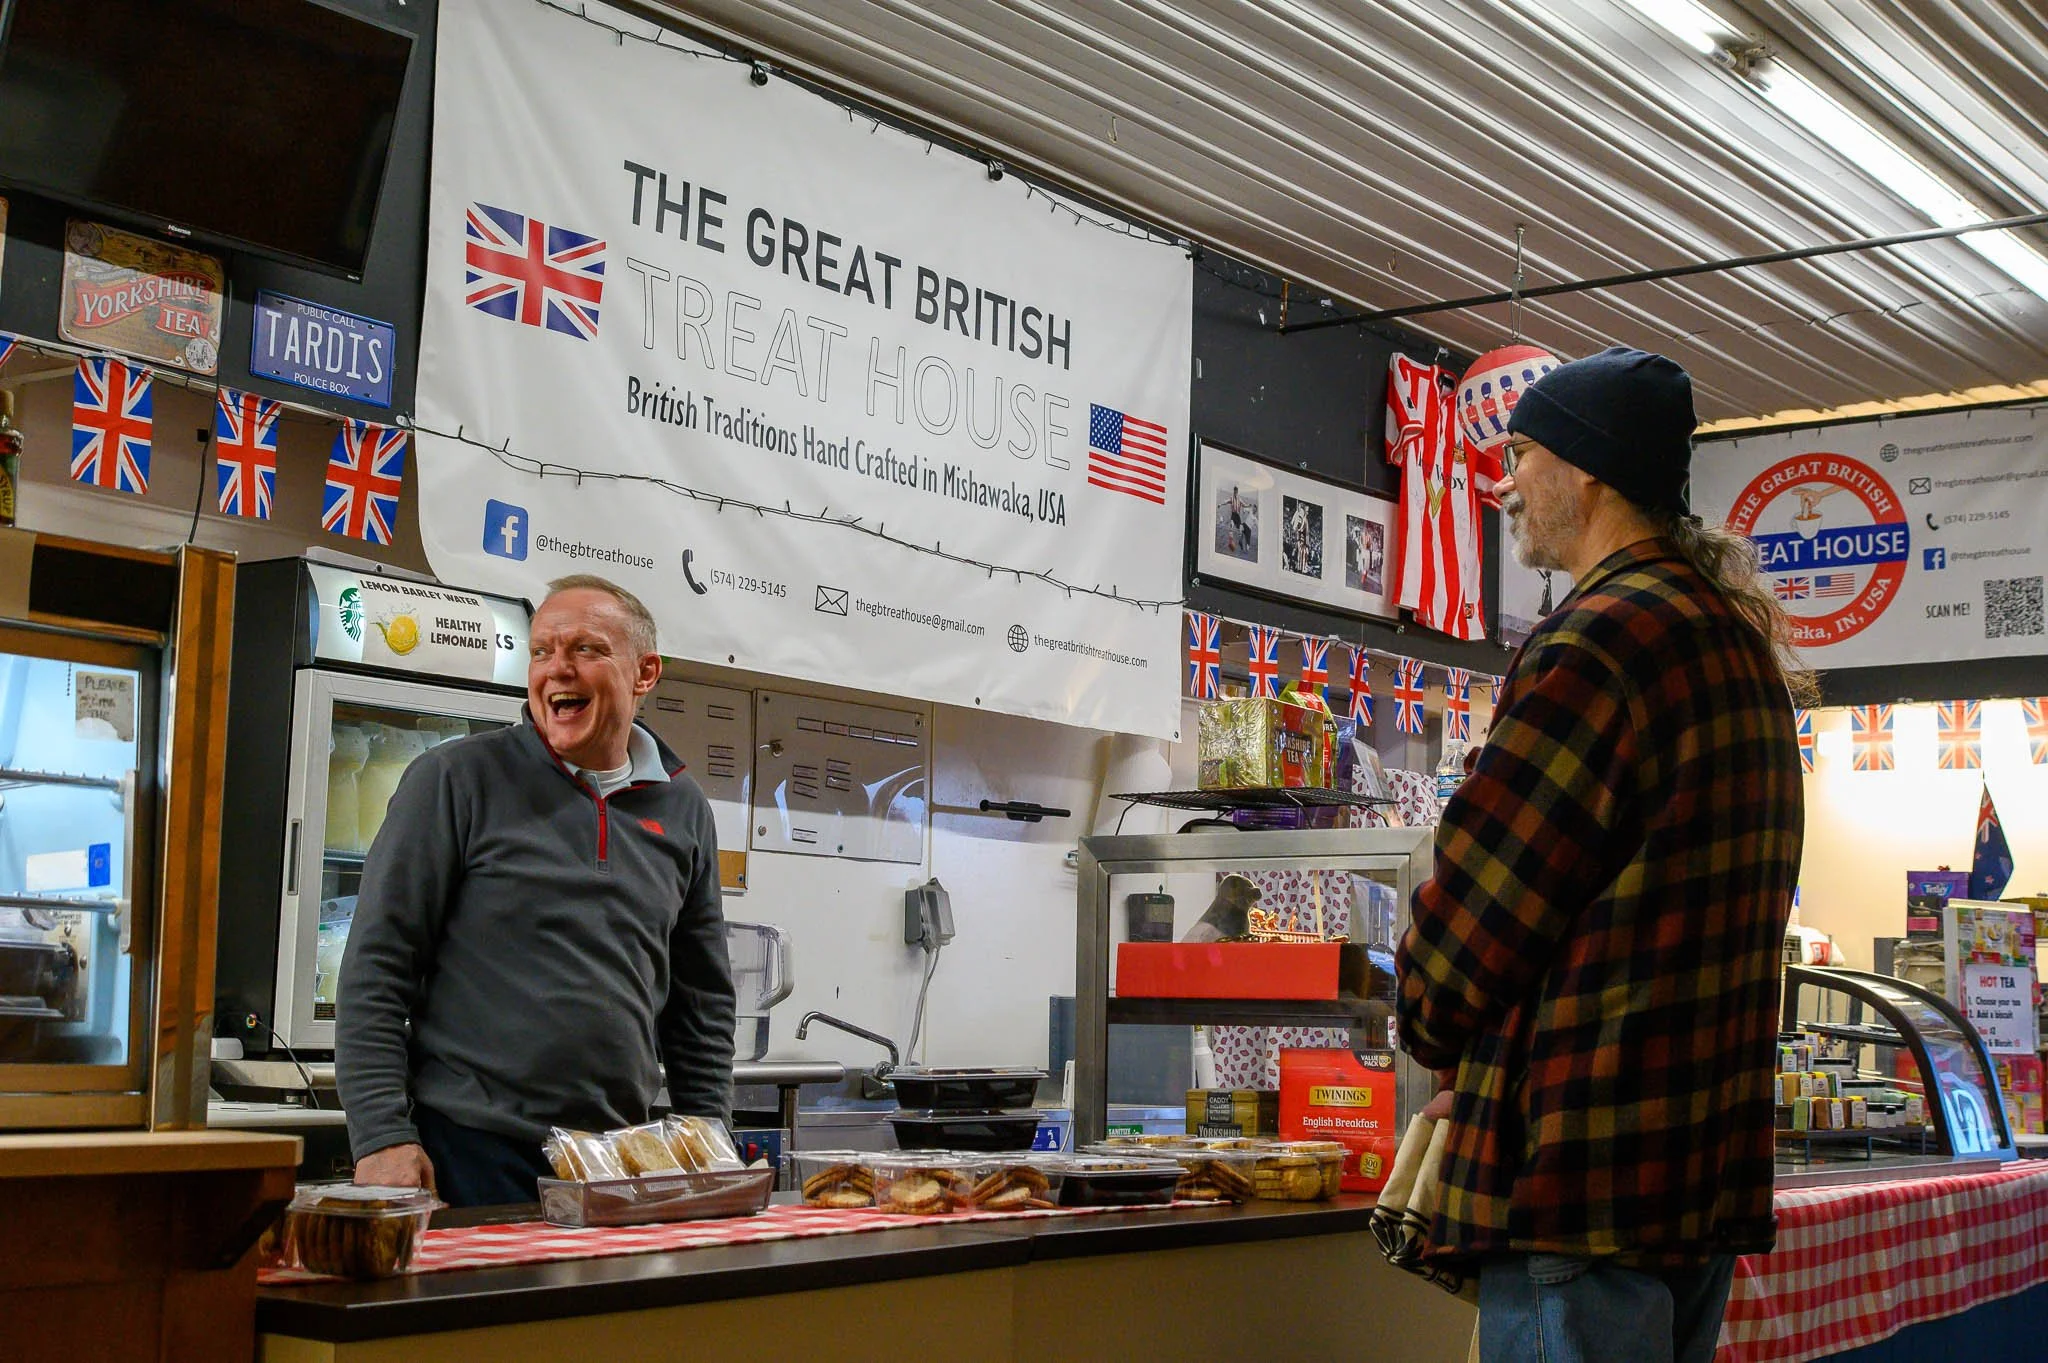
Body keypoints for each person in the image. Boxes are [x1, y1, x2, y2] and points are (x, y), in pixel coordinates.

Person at [1395, 347, 1808, 1363]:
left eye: (1523, 452)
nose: (1504, 480)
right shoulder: (1734, 646)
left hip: (1574, 1177)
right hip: (1691, 1173)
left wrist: (1427, 1024)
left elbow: (1481, 905)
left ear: (1586, 470)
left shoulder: (1595, 639)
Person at [337, 574, 735, 1207]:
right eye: (543, 652)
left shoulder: (683, 807)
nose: (558, 670)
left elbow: (701, 998)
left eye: (585, 649)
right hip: (469, 1149)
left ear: (645, 672)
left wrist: (707, 1135)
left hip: (615, 1159)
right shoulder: (455, 779)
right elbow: (376, 969)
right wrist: (381, 1134)